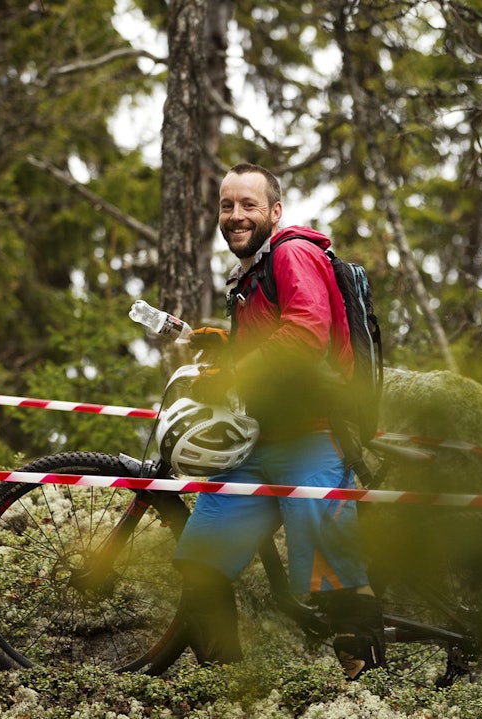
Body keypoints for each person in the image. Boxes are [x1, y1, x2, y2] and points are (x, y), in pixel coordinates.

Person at [169, 162, 384, 680]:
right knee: (201, 563)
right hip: (259, 444)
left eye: (248, 205)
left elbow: (307, 335)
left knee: (332, 580)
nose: (236, 215)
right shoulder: (252, 272)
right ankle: (227, 689)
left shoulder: (292, 253)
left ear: (275, 211)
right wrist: (225, 345)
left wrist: (236, 372)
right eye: (227, 205)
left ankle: (373, 690)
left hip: (314, 436)